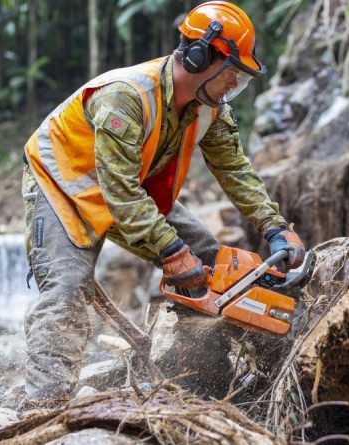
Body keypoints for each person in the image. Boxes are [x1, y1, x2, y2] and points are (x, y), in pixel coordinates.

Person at [18, 1, 305, 404]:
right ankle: (44, 403)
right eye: (232, 75)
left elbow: (235, 170)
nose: (232, 86)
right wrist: (170, 252)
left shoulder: (210, 109)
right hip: (65, 184)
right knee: (66, 287)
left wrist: (275, 227)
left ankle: (202, 379)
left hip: (131, 185)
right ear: (199, 56)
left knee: (208, 260)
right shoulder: (127, 96)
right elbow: (119, 195)